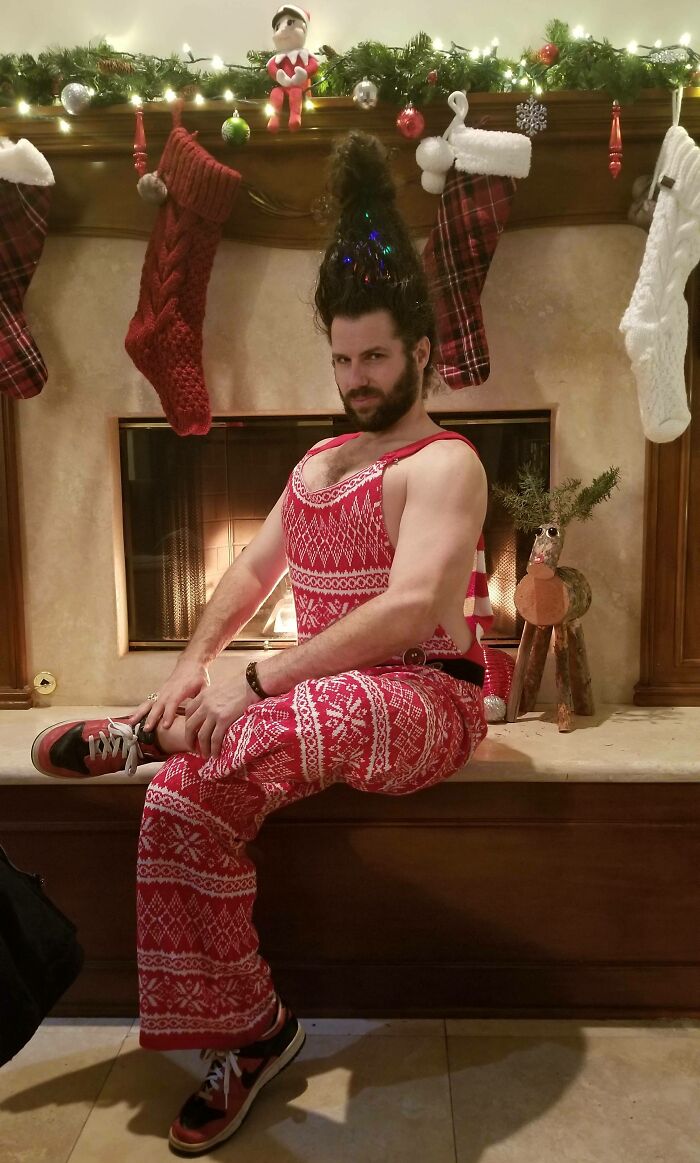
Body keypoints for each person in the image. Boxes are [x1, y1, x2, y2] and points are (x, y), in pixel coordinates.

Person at [31, 132, 491, 1155]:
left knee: (306, 704)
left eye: (376, 357)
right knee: (177, 800)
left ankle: (147, 733)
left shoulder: (444, 461)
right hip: (310, 703)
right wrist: (191, 668)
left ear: (420, 351)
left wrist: (254, 677)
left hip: (424, 697)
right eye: (342, 358)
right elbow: (248, 572)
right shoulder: (319, 460)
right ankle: (253, 1032)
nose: (357, 377)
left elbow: (411, 606)